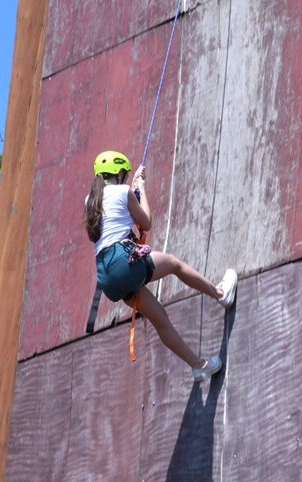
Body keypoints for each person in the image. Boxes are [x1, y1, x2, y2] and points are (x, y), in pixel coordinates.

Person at [84, 150, 235, 381]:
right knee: (175, 264)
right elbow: (146, 221)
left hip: (107, 277)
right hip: (122, 261)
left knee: (160, 320)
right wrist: (140, 188)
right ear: (119, 172)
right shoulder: (123, 191)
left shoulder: (90, 201)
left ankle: (199, 365)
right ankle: (221, 293)